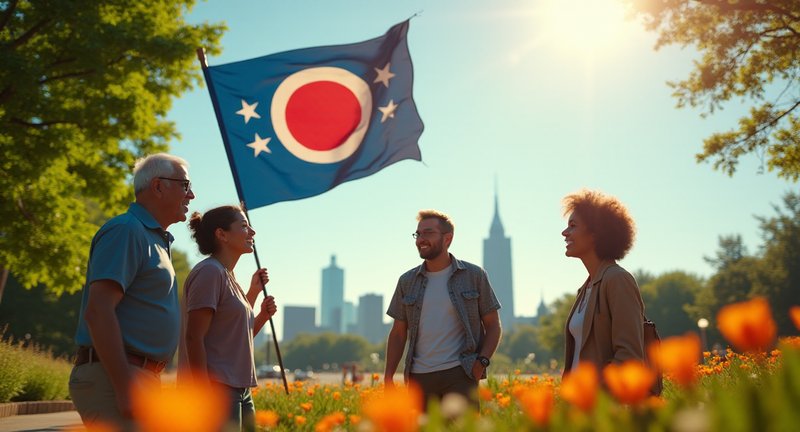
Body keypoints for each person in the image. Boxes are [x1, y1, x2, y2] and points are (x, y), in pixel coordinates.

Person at [69, 153, 195, 429]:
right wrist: (124, 386)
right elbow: (99, 311)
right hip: (116, 377)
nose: (192, 195)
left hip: (135, 376)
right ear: (158, 186)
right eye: (185, 186)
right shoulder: (126, 231)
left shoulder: (152, 238)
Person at [384, 209, 502, 410]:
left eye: (428, 233)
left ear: (448, 238)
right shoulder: (407, 281)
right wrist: (388, 377)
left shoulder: (474, 275)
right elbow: (398, 333)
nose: (421, 239)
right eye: (418, 234)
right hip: (418, 379)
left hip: (460, 374)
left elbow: (493, 325)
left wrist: (481, 362)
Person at [179, 205, 277, 432]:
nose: (252, 231)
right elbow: (194, 337)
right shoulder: (210, 273)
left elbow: (238, 336)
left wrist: (259, 310)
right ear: (221, 234)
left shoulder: (227, 275)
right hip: (219, 390)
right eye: (243, 226)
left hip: (241, 390)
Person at [561, 189, 647, 376]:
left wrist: (599, 396)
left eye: (573, 226)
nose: (564, 233)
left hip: (604, 403)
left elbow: (629, 357)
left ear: (595, 233)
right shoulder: (586, 288)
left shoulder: (618, 280)